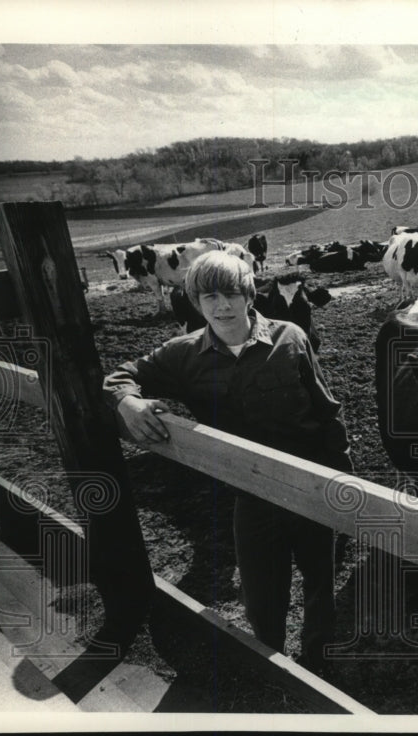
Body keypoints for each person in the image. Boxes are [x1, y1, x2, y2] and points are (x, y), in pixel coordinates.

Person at [104, 251, 351, 674]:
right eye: (209, 297)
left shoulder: (290, 337)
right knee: (261, 596)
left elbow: (328, 412)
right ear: (195, 303)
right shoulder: (184, 355)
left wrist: (343, 481)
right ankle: (273, 666)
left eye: (231, 293)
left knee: (319, 583)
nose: (221, 306)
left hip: (311, 484)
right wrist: (126, 401)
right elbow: (118, 376)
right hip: (250, 495)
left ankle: (319, 659)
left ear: (249, 294)